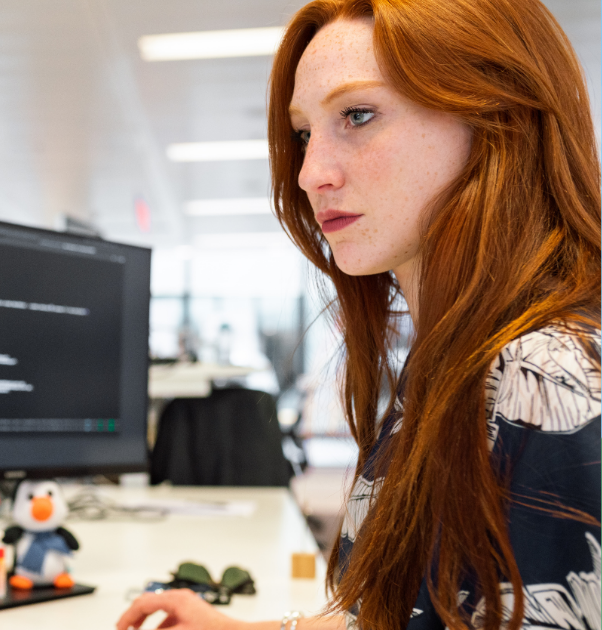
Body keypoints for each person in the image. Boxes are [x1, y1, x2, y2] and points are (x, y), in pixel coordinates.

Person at [117, 0, 600, 628]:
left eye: (358, 114)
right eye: (302, 134)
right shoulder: (455, 364)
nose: (310, 173)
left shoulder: (548, 378)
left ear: (497, 116)